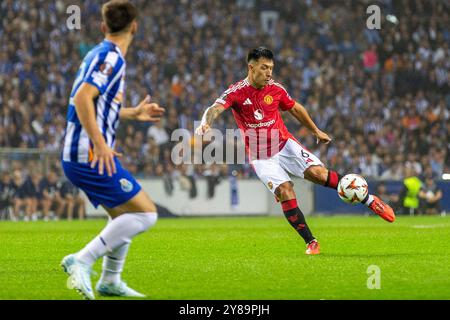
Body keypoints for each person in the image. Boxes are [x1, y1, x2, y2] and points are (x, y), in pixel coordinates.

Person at [195, 47, 395, 255]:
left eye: (271, 68)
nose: (269, 73)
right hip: (262, 157)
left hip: (285, 145)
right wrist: (205, 124)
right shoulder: (236, 92)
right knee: (286, 191)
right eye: (264, 68)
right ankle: (311, 242)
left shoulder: (276, 89)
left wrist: (316, 130)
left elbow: (296, 109)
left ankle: (370, 200)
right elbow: (214, 109)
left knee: (319, 175)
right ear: (251, 67)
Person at [60, 0, 165, 300]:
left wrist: (131, 113)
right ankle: (82, 260)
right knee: (146, 215)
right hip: (88, 155)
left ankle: (110, 280)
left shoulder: (97, 53)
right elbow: (82, 99)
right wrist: (100, 144)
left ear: (103, 27)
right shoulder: (112, 58)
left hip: (80, 153)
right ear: (135, 26)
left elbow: (95, 105)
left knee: (124, 216)